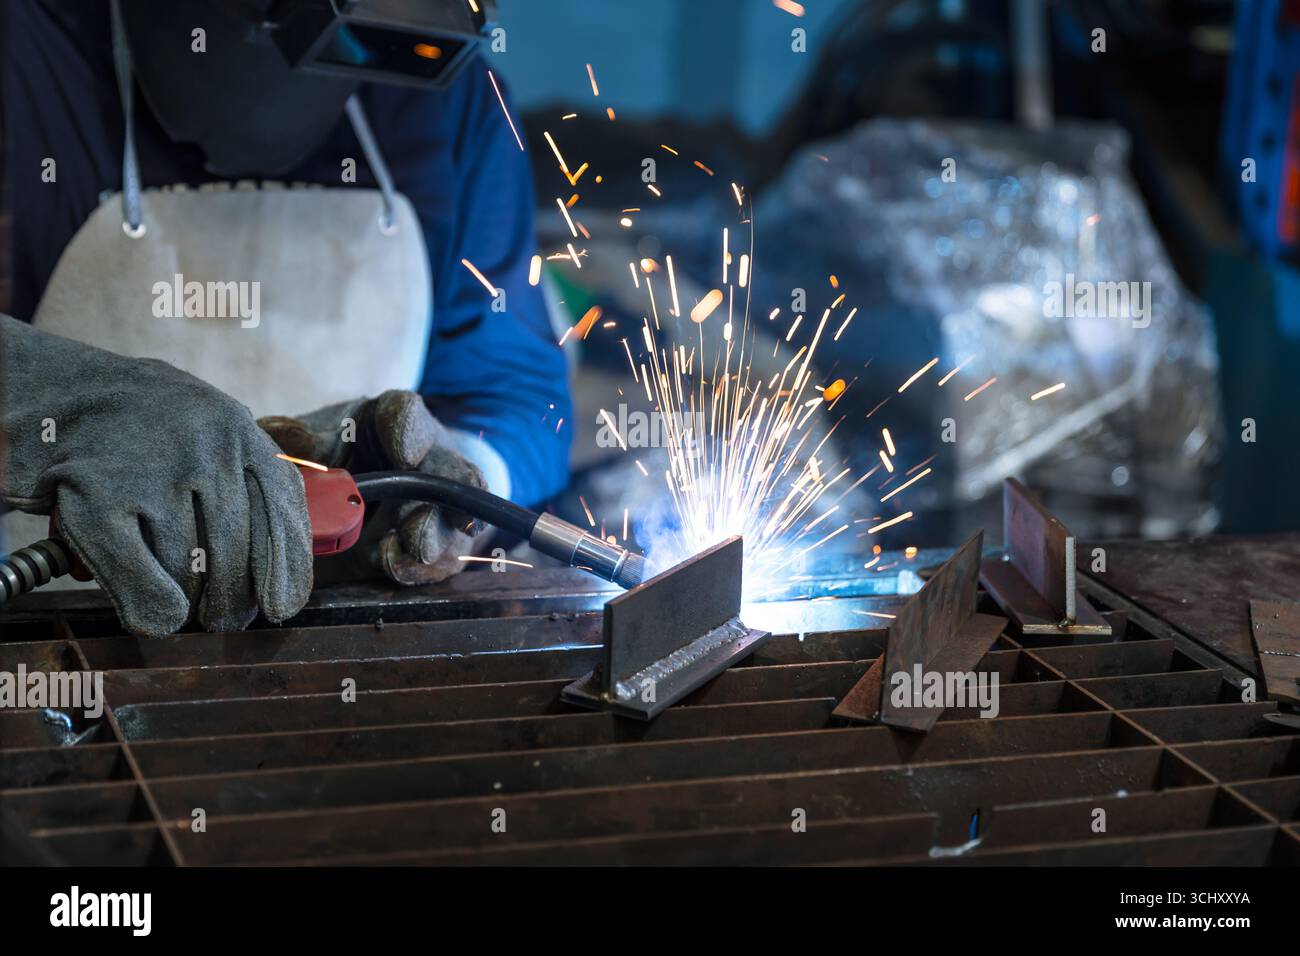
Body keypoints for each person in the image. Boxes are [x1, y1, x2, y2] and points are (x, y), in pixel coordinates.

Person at [0, 0, 571, 636]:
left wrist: (455, 478)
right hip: (52, 627)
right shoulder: (25, 52)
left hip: (340, 643)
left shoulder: (447, 92)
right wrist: (53, 410)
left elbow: (516, 396)